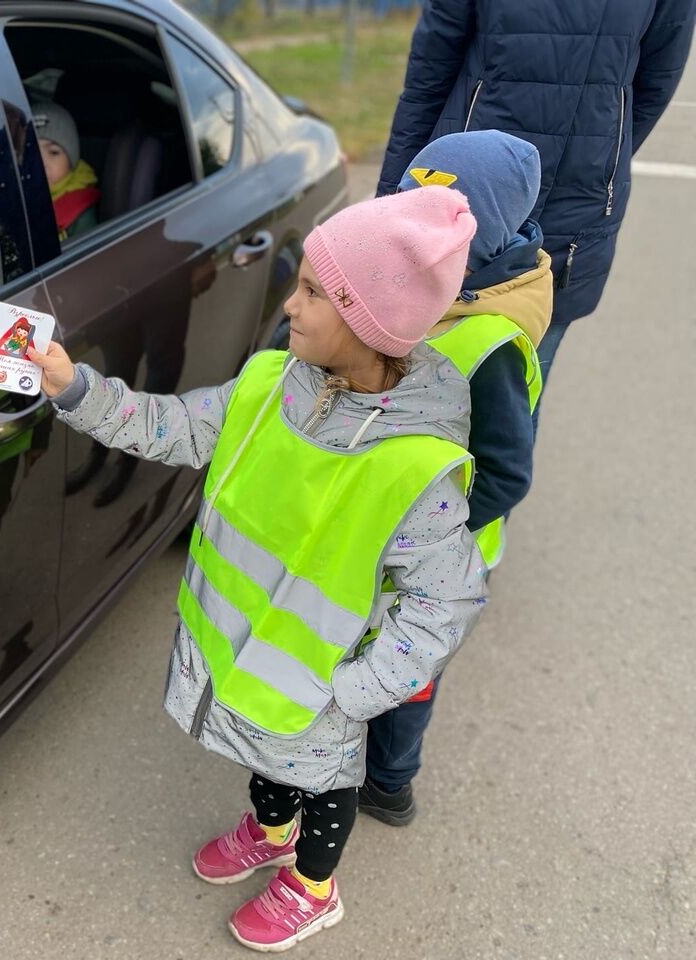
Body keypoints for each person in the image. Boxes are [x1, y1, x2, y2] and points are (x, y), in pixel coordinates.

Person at [27, 187, 488, 952]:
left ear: (370, 322)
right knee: (265, 761)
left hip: (322, 685)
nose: (291, 303)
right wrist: (78, 390)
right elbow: (171, 427)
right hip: (242, 653)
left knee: (324, 784)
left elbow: (445, 600)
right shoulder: (268, 385)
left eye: (313, 291)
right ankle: (272, 830)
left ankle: (314, 887)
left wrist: (356, 691)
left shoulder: (415, 469)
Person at [360, 130, 551, 826]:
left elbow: (505, 472)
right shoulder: (424, 288)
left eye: (425, 223)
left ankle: (388, 781)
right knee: (357, 646)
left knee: (408, 673)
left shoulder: (486, 342)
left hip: (439, 552)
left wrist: (423, 536)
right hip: (373, 535)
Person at [377, 0, 696, 390]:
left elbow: (651, 87)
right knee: (402, 392)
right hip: (457, 204)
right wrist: (389, 201)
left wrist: (598, 161)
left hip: (574, 216)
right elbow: (429, 77)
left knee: (513, 405)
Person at [33, 102, 100, 244]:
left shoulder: (80, 212)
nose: (40, 163)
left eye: (53, 152)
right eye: (30, 153)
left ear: (71, 162)